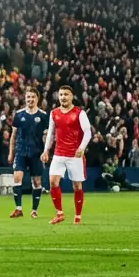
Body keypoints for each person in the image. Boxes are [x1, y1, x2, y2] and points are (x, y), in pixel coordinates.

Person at [41, 86, 91, 225]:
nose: (63, 97)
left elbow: (88, 132)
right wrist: (46, 150)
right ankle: (59, 213)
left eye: (66, 94)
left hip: (75, 155)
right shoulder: (54, 113)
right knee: (52, 182)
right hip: (59, 154)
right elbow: (51, 134)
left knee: (77, 186)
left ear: (71, 96)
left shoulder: (79, 113)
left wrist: (81, 148)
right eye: (61, 94)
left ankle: (78, 215)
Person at [8, 88, 47, 218]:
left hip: (36, 153)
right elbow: (13, 135)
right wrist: (11, 152)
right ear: (25, 99)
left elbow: (47, 136)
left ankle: (34, 210)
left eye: (33, 97)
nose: (30, 99)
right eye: (28, 97)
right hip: (21, 151)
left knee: (36, 182)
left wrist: (46, 151)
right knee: (17, 177)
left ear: (37, 99)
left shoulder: (43, 115)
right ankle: (18, 209)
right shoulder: (19, 114)